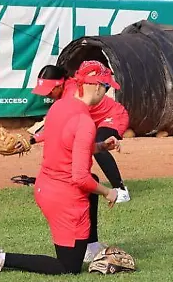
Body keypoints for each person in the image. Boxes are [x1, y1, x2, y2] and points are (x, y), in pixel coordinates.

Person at [0, 61, 126, 277]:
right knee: (68, 268)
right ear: (95, 86)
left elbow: (69, 143)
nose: (106, 92)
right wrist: (109, 192)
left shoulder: (59, 107)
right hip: (65, 200)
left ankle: (90, 246)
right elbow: (80, 178)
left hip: (47, 189)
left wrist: (101, 146)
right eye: (106, 87)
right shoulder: (85, 121)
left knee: (91, 180)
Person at [31, 64, 131, 203]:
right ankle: (71, 183)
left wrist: (32, 140)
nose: (47, 95)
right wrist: (32, 139)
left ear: (60, 85)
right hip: (91, 121)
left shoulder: (72, 94)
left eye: (49, 91)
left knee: (98, 141)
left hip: (113, 116)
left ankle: (121, 190)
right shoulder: (64, 96)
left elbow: (57, 124)